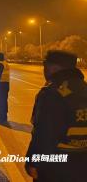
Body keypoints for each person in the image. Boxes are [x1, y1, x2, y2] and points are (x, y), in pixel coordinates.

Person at [25, 50, 87, 182]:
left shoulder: (51, 94)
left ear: (53, 67)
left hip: (56, 166)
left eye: (45, 66)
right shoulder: (84, 88)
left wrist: (33, 162)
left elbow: (44, 135)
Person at [0, 52, 10, 123]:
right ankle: (4, 116)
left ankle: (1, 117)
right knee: (4, 100)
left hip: (0, 85)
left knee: (0, 101)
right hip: (6, 84)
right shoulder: (6, 64)